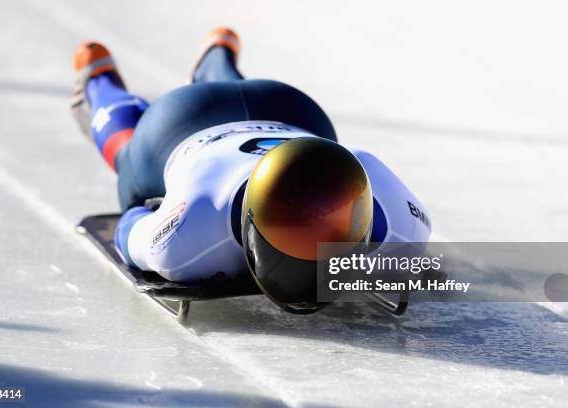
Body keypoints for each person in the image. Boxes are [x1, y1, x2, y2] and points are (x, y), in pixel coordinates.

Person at [71, 28, 431, 313]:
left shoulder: (402, 225)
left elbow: (129, 229)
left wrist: (152, 215)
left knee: (140, 168)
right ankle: (100, 82)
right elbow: (128, 222)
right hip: (186, 124)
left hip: (281, 110)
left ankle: (216, 56)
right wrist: (154, 210)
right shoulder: (184, 242)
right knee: (128, 160)